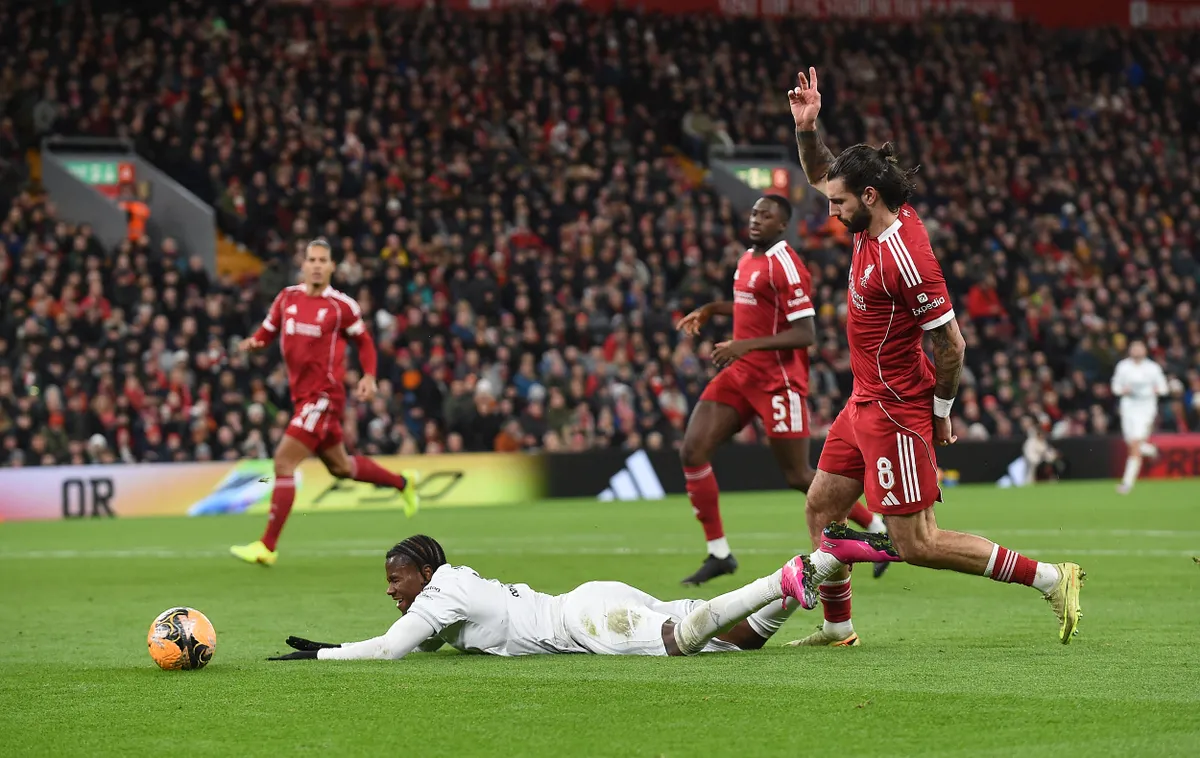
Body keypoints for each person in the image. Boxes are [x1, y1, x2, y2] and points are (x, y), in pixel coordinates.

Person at [780, 67, 1083, 646]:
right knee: (821, 507)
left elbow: (952, 344)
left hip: (897, 409)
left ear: (869, 197)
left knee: (918, 543)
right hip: (864, 400)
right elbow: (820, 173)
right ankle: (838, 628)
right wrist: (807, 126)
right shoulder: (867, 218)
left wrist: (941, 411)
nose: (831, 211)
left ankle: (1051, 578)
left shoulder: (908, 259)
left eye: (840, 203)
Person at [674, 195, 888, 586]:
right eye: (754, 213)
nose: (756, 219)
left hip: (779, 382)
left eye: (766, 215)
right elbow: (752, 308)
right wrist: (711, 310)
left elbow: (805, 333)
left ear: (782, 225)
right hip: (742, 375)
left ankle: (875, 525)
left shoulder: (787, 264)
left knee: (797, 475)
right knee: (692, 450)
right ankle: (719, 553)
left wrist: (744, 345)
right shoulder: (747, 259)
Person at [265, 533, 888, 662]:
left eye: (396, 579)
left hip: (585, 622)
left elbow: (390, 651)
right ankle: (829, 562)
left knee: (682, 643)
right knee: (736, 640)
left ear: (424, 573)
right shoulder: (452, 582)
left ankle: (784, 579)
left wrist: (324, 653)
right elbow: (424, 639)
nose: (390, 589)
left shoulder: (439, 597)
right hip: (592, 598)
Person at [230, 238, 419, 566]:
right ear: (303, 265)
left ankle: (267, 546)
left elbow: (365, 343)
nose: (317, 265)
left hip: (324, 396)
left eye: (323, 260)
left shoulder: (341, 306)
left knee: (283, 462)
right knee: (341, 467)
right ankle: (403, 482)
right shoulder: (287, 298)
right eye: (312, 260)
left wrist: (369, 376)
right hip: (301, 397)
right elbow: (268, 331)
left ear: (332, 266)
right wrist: (254, 343)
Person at [1110, 340, 1168, 494]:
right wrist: (1122, 390)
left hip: (1146, 408)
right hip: (1128, 408)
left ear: (1145, 350)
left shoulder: (1153, 368)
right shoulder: (1123, 366)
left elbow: (1164, 388)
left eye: (1139, 348)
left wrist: (1157, 390)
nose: (1136, 350)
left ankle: (1127, 483)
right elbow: (1115, 386)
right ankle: (1151, 450)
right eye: (1134, 348)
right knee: (1131, 443)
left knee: (1135, 444)